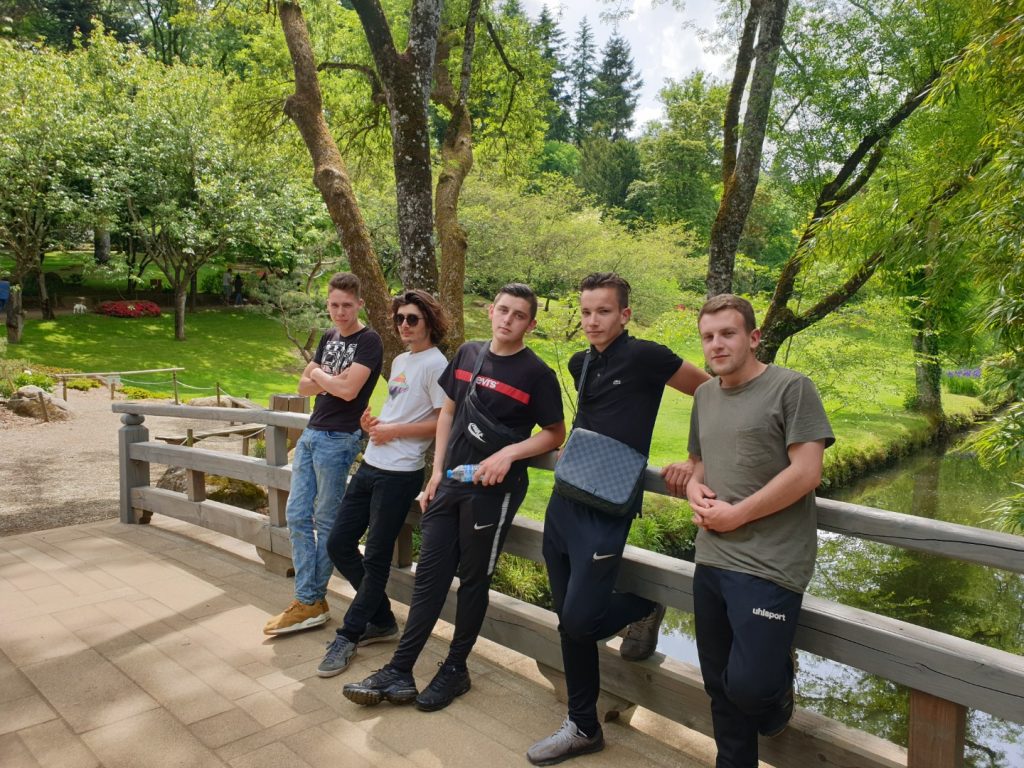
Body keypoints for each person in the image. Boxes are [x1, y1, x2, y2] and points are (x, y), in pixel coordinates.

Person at [342, 283, 565, 712]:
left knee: (473, 580)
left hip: (494, 491)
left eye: (519, 315)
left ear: (531, 324)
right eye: (503, 310)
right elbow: (448, 411)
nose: (508, 320)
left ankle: (456, 668)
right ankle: (400, 668)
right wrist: (437, 472)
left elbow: (555, 433)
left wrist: (509, 454)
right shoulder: (467, 354)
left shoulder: (536, 374)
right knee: (429, 577)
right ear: (491, 311)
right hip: (449, 484)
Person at [528, 272, 709, 766]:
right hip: (565, 500)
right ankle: (583, 726)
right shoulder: (579, 361)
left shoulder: (648, 357)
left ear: (625, 314)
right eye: (586, 312)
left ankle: (645, 604)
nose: (593, 321)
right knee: (568, 622)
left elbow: (710, 392)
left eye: (603, 311)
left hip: (608, 506)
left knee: (580, 620)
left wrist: (695, 458)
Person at [665, 293, 834, 767]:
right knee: (718, 685)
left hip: (772, 562)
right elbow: (699, 461)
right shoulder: (704, 395)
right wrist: (694, 487)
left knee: (751, 686)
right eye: (708, 337)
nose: (716, 344)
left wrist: (737, 515)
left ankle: (778, 691)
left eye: (727, 333)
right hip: (712, 556)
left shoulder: (792, 388)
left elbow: (807, 472)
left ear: (754, 337)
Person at [317, 290, 450, 676]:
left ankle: (349, 635)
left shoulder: (436, 364)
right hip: (372, 463)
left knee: (376, 557)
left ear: (429, 321)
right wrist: (373, 424)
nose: (404, 325)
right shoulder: (402, 360)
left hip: (400, 472)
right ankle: (381, 618)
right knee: (338, 543)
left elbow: (441, 420)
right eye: (399, 318)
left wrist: (395, 432)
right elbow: (399, 409)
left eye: (412, 318)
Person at [263, 272, 383, 636]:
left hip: (340, 438)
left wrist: (322, 377)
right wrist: (329, 380)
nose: (340, 312)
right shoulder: (329, 337)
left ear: (360, 304)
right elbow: (302, 386)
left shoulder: (369, 341)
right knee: (296, 514)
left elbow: (348, 392)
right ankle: (310, 600)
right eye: (333, 305)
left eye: (347, 305)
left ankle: (309, 600)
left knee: (326, 519)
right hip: (312, 432)